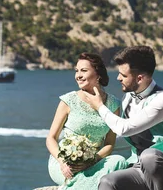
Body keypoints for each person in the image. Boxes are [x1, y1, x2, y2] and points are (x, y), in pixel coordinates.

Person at [81, 46, 163, 190]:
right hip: (139, 166)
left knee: (149, 156)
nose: (118, 78)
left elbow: (124, 128)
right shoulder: (127, 98)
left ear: (140, 78)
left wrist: (100, 106)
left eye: (123, 75)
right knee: (108, 181)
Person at [46, 53, 128, 188]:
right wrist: (62, 162)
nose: (78, 75)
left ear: (98, 74)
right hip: (65, 164)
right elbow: (51, 138)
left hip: (93, 162)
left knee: (119, 161)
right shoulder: (68, 100)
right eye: (76, 71)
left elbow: (109, 144)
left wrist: (92, 160)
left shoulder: (114, 104)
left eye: (83, 70)